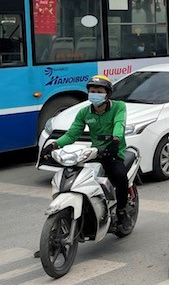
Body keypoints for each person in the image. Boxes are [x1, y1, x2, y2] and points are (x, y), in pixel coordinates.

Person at [42, 75, 131, 229]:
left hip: (114, 152)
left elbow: (119, 125)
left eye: (98, 91)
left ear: (107, 94)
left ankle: (122, 212)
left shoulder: (119, 107)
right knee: (75, 179)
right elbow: (72, 134)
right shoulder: (84, 112)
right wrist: (54, 145)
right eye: (92, 91)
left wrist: (115, 140)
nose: (94, 94)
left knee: (120, 177)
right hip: (95, 152)